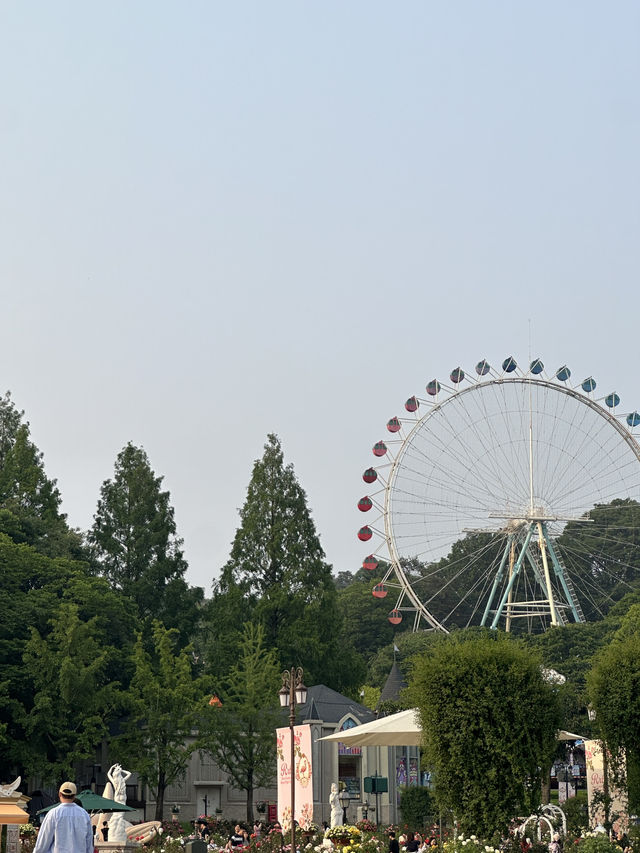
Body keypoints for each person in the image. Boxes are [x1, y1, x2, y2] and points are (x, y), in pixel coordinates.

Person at [33, 782, 93, 853]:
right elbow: (89, 843)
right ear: (74, 796)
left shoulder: (53, 814)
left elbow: (43, 842)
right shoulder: (84, 815)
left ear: (59, 794)